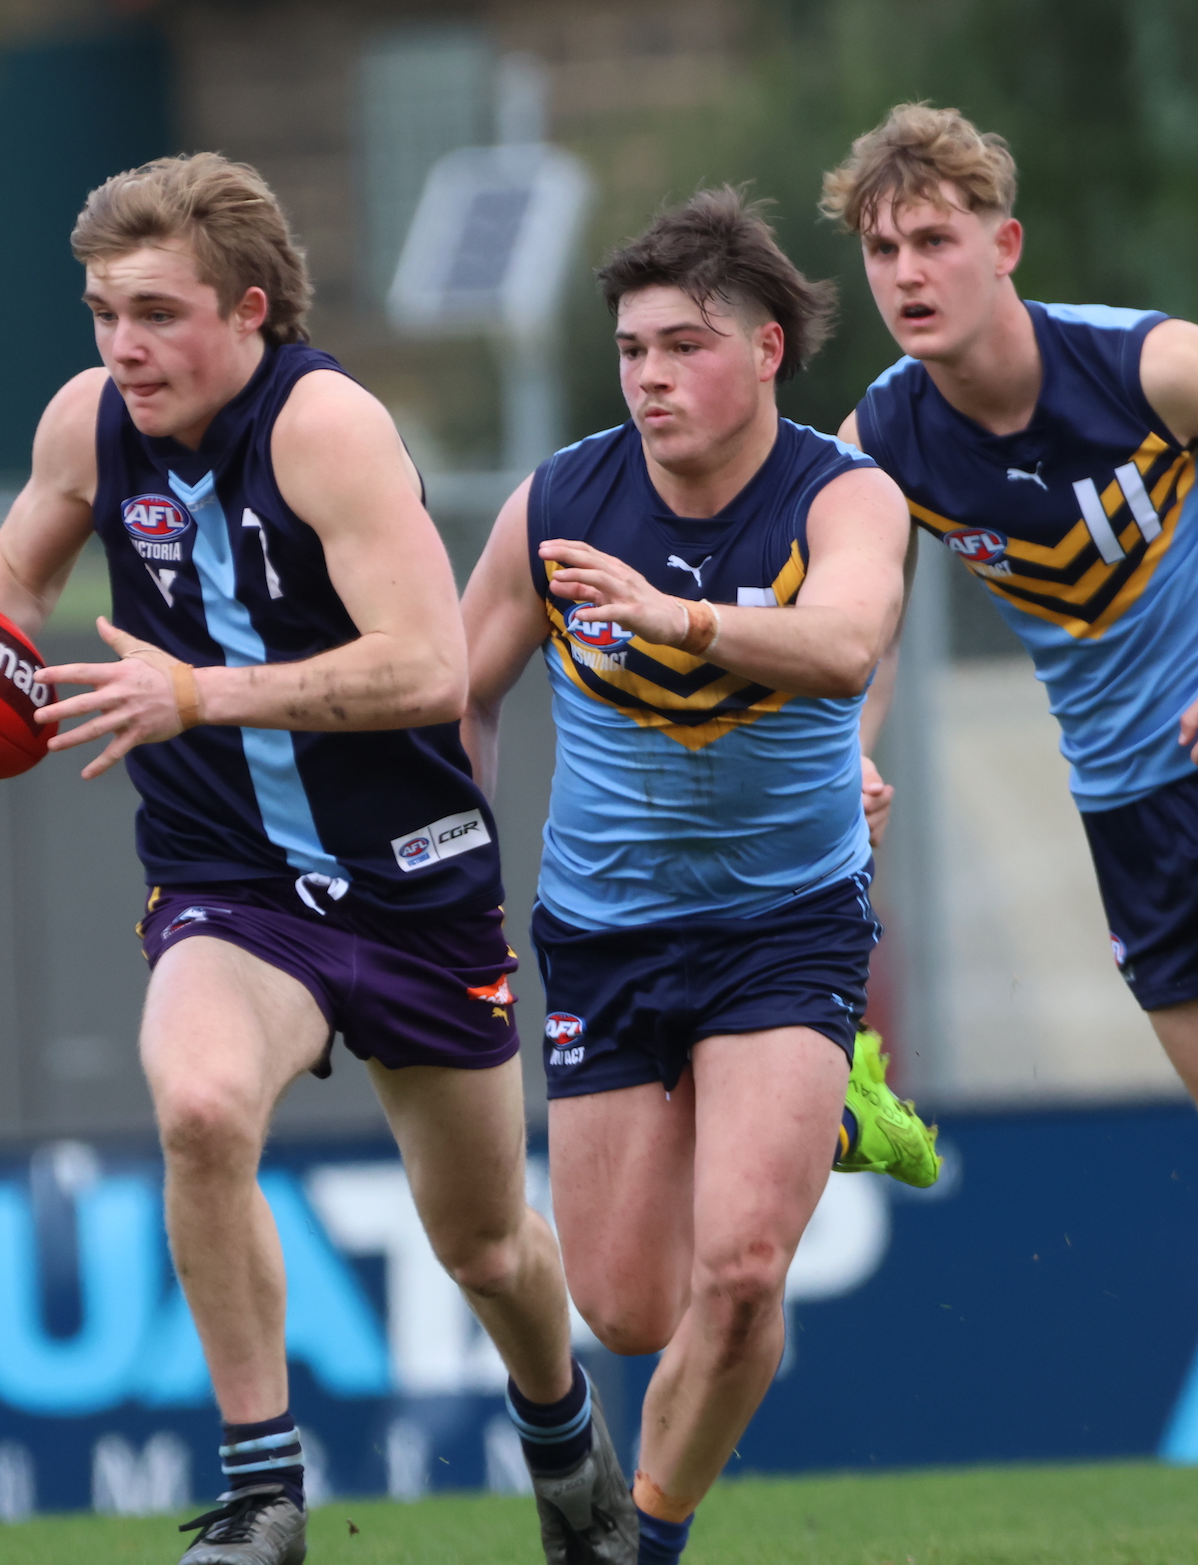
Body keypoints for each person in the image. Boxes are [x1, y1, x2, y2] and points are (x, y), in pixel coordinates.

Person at [0, 153, 630, 1565]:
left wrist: (204, 692)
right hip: (228, 880)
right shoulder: (91, 425)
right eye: (102, 313)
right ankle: (265, 1493)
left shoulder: (327, 427)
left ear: (252, 310)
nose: (122, 347)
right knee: (203, 1107)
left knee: (485, 1248)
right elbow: (8, 589)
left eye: (155, 313)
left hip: (412, 876)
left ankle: (561, 1422)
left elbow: (429, 665)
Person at [461, 188, 939, 1565]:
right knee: (624, 1309)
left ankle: (641, 1543)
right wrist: (450, 875)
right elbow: (460, 694)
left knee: (741, 1274)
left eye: (685, 344)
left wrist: (672, 614)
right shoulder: (559, 499)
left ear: (772, 348)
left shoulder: (842, 495)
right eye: (630, 349)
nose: (652, 376)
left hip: (786, 926)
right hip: (605, 935)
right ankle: (826, 1122)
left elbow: (847, 645)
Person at [829, 104, 1198, 1313]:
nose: (908, 273)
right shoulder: (880, 442)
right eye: (883, 251)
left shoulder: (1148, 365)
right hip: (1133, 823)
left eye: (935, 240)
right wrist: (850, 760)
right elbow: (865, 634)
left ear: (1005, 245)